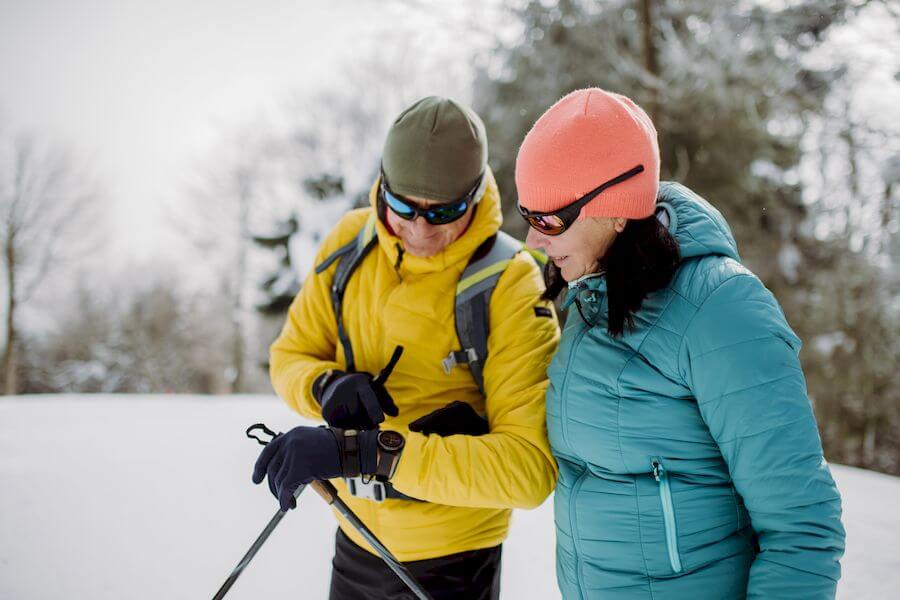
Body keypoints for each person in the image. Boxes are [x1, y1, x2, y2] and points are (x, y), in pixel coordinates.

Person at [514, 88, 845, 599]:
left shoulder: (720, 309)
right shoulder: (591, 298)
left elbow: (803, 528)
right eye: (527, 214)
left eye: (549, 219)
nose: (534, 239)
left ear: (615, 208)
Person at [253, 96, 560, 600]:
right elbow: (289, 355)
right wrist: (326, 386)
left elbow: (529, 469)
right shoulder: (350, 244)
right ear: (383, 186)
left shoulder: (511, 284)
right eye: (403, 208)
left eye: (445, 212)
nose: (420, 231)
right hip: (354, 539)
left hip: (453, 561)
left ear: (476, 193)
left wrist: (362, 452)